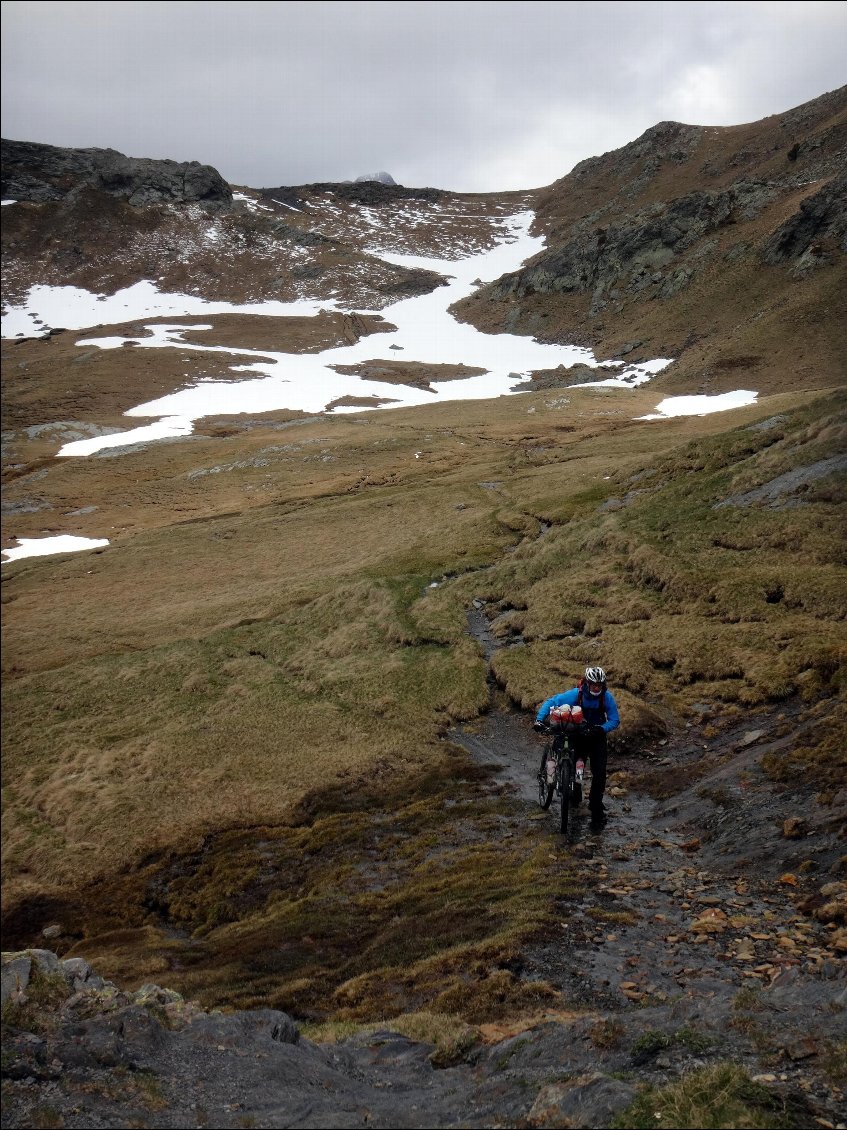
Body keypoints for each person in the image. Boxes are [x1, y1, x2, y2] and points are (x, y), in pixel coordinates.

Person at [533, 666, 620, 823]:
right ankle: (574, 793)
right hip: (578, 735)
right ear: (587, 683)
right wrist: (539, 720)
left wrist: (601, 729)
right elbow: (552, 701)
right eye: (593, 684)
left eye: (599, 685)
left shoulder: (606, 698)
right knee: (575, 766)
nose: (596, 687)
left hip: (597, 736)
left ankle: (596, 805)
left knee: (599, 773)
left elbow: (614, 720)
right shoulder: (576, 694)